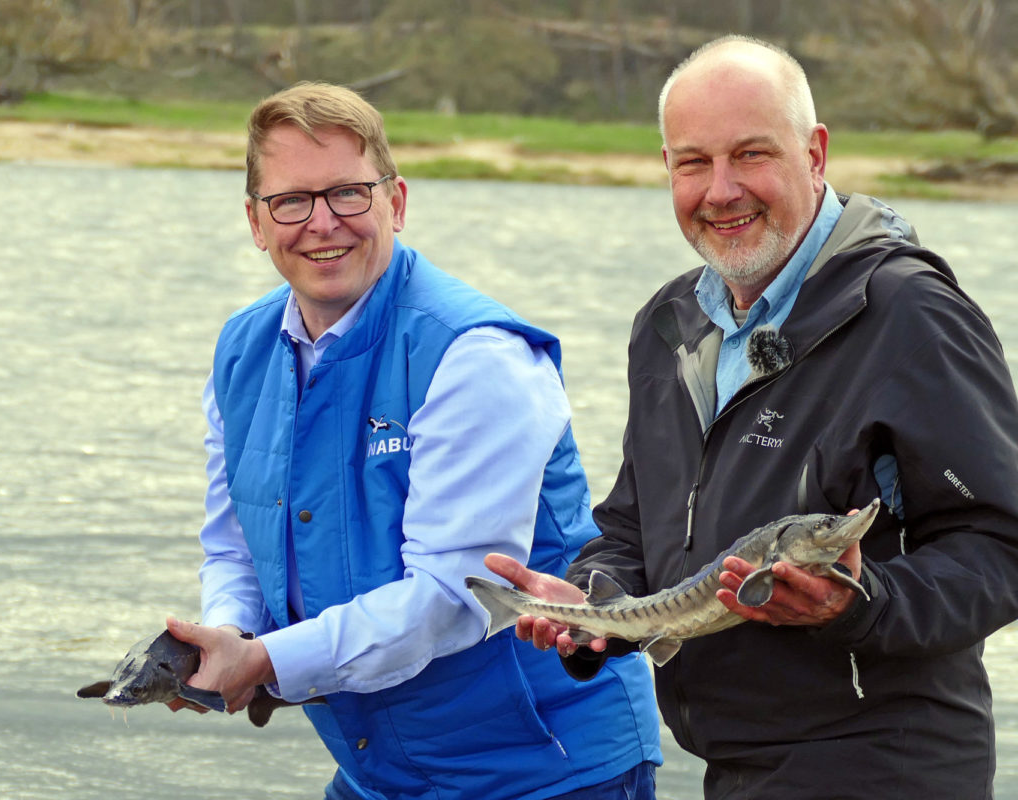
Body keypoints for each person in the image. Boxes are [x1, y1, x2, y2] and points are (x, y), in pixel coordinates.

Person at [487, 35, 1018, 799]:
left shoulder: (910, 313)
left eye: (750, 155)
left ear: (815, 153)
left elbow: (1003, 553)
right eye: (693, 162)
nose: (720, 190)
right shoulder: (669, 321)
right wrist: (593, 600)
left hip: (888, 768)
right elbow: (635, 524)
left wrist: (861, 604)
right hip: (733, 767)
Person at [162, 81, 662, 800]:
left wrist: (264, 660)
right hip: (380, 769)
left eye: (348, 194)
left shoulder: (476, 355)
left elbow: (450, 600)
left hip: (544, 769)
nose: (322, 222)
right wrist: (224, 638)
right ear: (255, 221)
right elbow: (233, 547)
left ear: (396, 202)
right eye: (291, 201)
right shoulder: (241, 350)